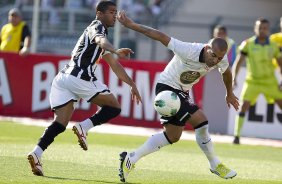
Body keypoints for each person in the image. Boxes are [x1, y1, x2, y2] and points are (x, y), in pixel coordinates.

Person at [117, 11, 239, 183]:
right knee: (201, 121)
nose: (215, 61)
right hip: (166, 89)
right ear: (206, 48)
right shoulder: (188, 50)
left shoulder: (221, 59)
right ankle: (215, 164)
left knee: (173, 136)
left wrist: (229, 92)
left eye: (219, 58)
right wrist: (131, 25)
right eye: (213, 56)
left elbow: (226, 73)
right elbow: (159, 35)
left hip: (182, 92)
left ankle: (131, 158)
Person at [27, 1, 142, 176]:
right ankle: (84, 127)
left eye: (115, 12)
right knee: (114, 107)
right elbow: (100, 40)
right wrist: (117, 49)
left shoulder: (98, 33)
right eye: (111, 12)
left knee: (60, 123)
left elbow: (114, 65)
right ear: (99, 13)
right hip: (79, 77)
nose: (114, 16)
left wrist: (132, 84)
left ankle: (36, 153)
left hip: (63, 78)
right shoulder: (97, 27)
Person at [232, 18, 282, 144]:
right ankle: (236, 136)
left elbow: (281, 64)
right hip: (252, 81)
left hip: (270, 81)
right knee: (243, 106)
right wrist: (234, 78)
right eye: (260, 28)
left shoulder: (273, 45)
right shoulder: (248, 44)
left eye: (265, 28)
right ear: (255, 29)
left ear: (268, 30)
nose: (262, 30)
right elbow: (238, 62)